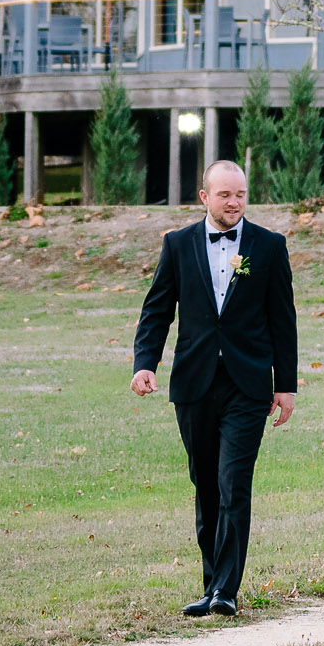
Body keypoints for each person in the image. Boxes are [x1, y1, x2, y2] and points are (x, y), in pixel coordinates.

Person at [131, 159, 298, 616]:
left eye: (240, 194)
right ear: (204, 197)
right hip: (194, 383)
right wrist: (145, 363)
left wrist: (285, 386)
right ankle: (210, 584)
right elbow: (157, 310)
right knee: (205, 484)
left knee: (232, 484)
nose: (234, 202)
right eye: (225, 195)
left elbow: (283, 321)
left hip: (248, 386)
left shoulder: (269, 246)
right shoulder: (178, 244)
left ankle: (226, 590)